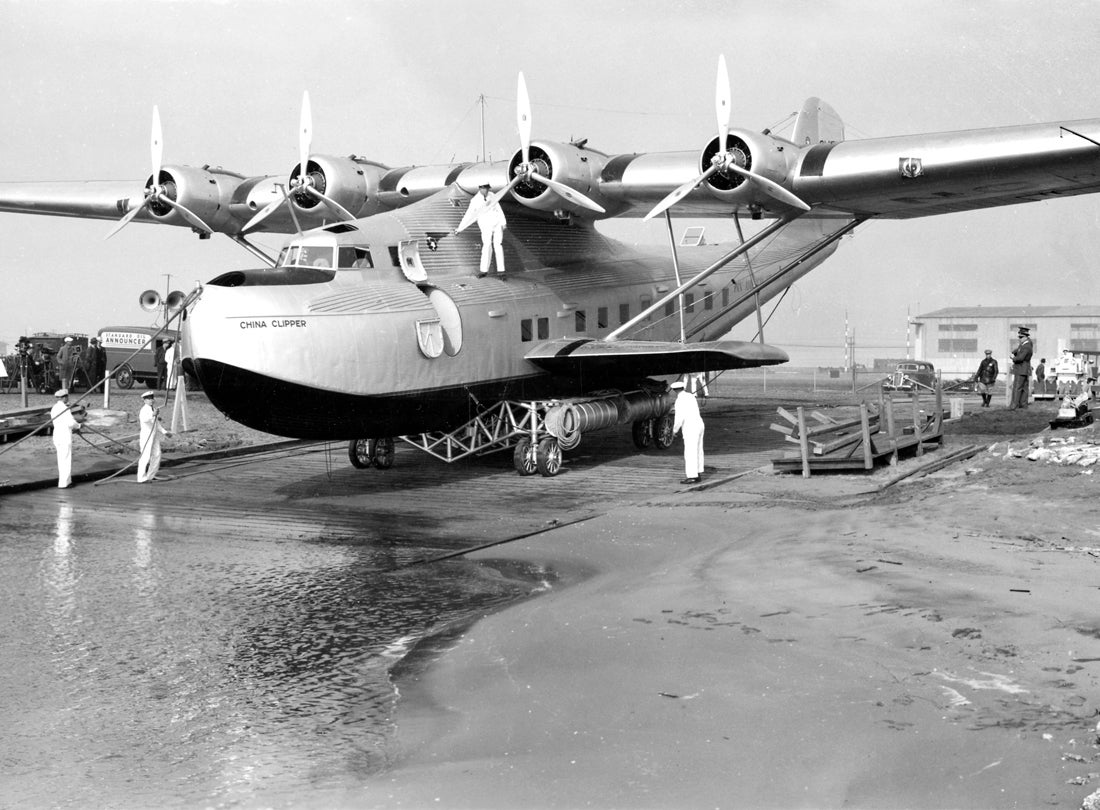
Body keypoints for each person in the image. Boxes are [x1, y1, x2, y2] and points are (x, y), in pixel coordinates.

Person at [462, 183, 507, 275]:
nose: (486, 190)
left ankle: (501, 271)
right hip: (486, 225)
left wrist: (503, 222)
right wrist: (460, 228)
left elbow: (499, 209)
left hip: (497, 223)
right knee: (487, 245)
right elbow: (468, 215)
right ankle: (483, 270)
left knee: (498, 245)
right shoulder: (475, 200)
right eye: (484, 188)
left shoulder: (492, 195)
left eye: (487, 188)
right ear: (480, 189)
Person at [671, 378, 705, 485]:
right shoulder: (691, 396)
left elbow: (679, 418)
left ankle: (692, 476)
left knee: (690, 452)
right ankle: (698, 473)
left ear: (674, 390)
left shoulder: (679, 400)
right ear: (683, 388)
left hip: (690, 427)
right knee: (698, 449)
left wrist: (674, 430)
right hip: (699, 423)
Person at [50, 388, 81, 488]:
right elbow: (71, 423)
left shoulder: (54, 408)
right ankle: (65, 483)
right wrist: (79, 426)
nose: (68, 398)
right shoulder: (64, 408)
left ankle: (64, 481)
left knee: (61, 459)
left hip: (57, 435)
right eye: (67, 396)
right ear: (64, 398)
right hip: (64, 435)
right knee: (66, 459)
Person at [136, 390, 169, 483]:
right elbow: (144, 420)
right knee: (145, 456)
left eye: (152, 398)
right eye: (149, 399)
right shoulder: (144, 410)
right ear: (144, 400)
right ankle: (141, 478)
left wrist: (164, 432)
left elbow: (156, 423)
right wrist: (152, 415)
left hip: (154, 435)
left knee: (157, 454)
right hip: (146, 435)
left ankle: (151, 475)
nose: (151, 400)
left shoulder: (153, 409)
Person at [1008, 326, 1033, 410]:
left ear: (1026, 337)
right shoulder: (1025, 344)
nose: (1019, 339)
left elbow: (1021, 358)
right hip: (1024, 369)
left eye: (1021, 337)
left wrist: (1013, 358)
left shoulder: (1026, 346)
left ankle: (1013, 405)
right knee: (1024, 388)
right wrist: (1013, 352)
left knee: (1017, 387)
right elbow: (1018, 350)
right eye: (1019, 337)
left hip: (1021, 369)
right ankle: (1023, 404)